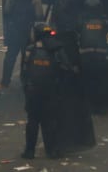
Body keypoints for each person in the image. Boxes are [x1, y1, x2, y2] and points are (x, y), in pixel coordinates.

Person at [20, 22, 70, 160]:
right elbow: (66, 68)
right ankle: (52, 151)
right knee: (50, 121)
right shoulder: (57, 49)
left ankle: (29, 151)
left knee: (33, 121)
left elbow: (23, 72)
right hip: (50, 91)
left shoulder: (29, 49)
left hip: (33, 90)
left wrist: (27, 89)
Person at [0, 0, 43, 89]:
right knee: (28, 57)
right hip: (29, 32)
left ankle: (5, 82)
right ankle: (26, 81)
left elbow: (7, 11)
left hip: (14, 31)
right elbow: (39, 15)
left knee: (10, 57)